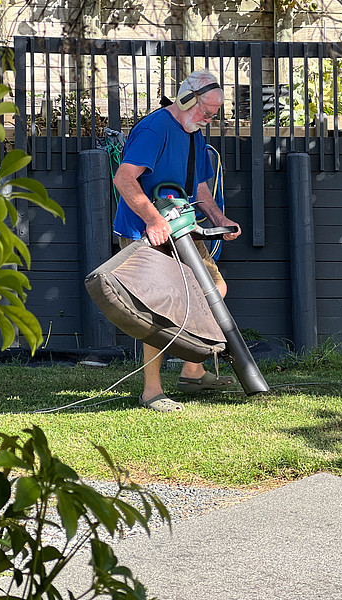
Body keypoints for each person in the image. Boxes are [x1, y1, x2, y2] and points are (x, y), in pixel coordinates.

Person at [112, 69, 242, 413]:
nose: (209, 118)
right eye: (205, 111)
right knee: (158, 306)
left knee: (214, 288)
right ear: (186, 98)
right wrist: (152, 219)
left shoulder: (194, 134)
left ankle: (192, 371)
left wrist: (219, 219)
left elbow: (199, 187)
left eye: (214, 114)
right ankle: (151, 391)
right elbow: (124, 179)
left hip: (181, 225)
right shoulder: (155, 129)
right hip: (145, 230)